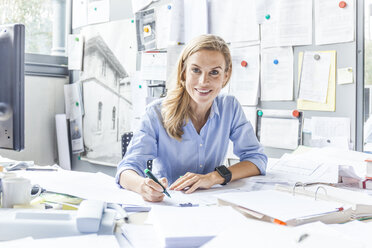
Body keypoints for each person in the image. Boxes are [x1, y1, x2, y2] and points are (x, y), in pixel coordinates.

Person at [116, 34, 267, 202]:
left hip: (211, 203)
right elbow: (126, 170)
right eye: (196, 70)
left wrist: (214, 177)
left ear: (226, 75)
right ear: (183, 72)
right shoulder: (155, 113)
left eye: (214, 72)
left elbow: (256, 159)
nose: (203, 81)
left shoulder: (229, 107)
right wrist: (142, 186)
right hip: (170, 202)